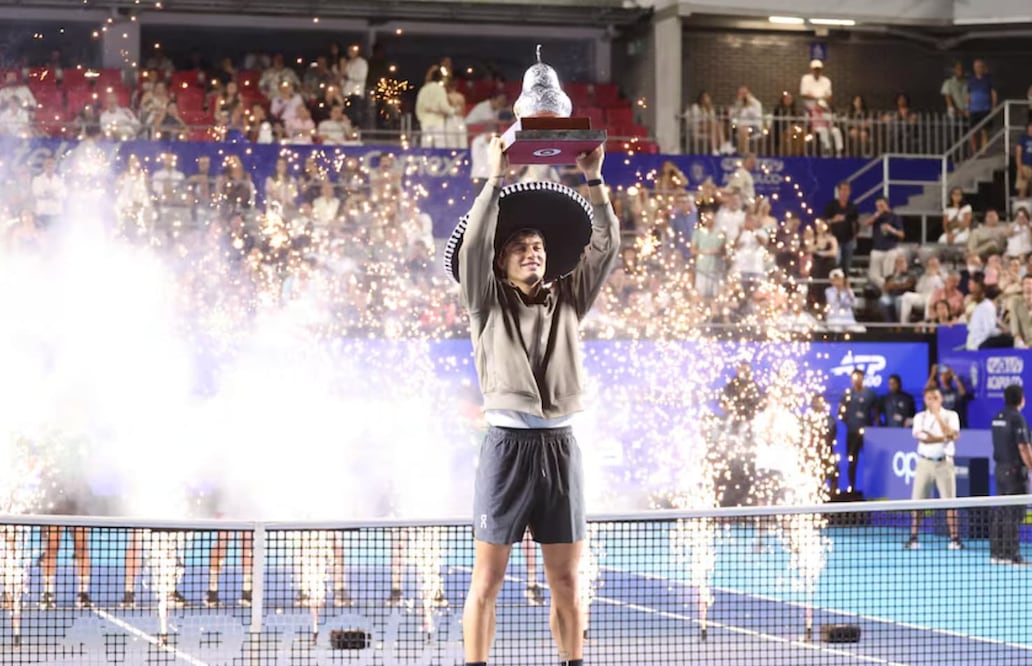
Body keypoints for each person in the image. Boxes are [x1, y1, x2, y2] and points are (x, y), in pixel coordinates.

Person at [445, 137, 619, 666]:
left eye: (539, 245)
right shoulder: (483, 301)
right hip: (507, 449)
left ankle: (573, 662)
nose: (533, 251)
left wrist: (595, 181)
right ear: (501, 262)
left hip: (562, 448)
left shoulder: (569, 298)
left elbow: (606, 249)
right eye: (520, 246)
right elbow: (473, 248)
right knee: (488, 580)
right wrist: (494, 179)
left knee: (566, 579)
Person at [904, 387, 963, 551]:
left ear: (941, 399)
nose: (932, 401)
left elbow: (955, 435)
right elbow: (923, 439)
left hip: (945, 464)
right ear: (925, 400)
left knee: (950, 502)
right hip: (924, 464)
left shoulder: (951, 416)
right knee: (918, 502)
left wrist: (938, 417)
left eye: (935, 397)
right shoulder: (919, 417)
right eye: (929, 398)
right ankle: (913, 537)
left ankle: (955, 539)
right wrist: (945, 437)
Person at [989, 384, 1032, 565]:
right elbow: (1023, 447)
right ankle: (1011, 555)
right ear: (1021, 398)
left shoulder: (997, 417)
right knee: (1013, 513)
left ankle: (997, 554)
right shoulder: (1017, 419)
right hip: (1014, 472)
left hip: (999, 470)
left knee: (1002, 511)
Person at [837, 369, 877, 493]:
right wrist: (849, 422)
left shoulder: (870, 394)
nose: (857, 380)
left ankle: (871, 488)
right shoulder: (847, 395)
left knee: (870, 460)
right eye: (855, 378)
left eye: (859, 377)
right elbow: (841, 413)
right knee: (852, 459)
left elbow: (875, 411)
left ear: (863, 378)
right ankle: (851, 487)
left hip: (867, 433)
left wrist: (874, 425)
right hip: (852, 432)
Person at [822, 181, 859, 277]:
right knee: (836, 262)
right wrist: (834, 220)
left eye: (847, 190)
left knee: (847, 264)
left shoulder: (852, 207)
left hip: (848, 239)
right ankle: (835, 282)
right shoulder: (831, 206)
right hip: (835, 239)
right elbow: (824, 222)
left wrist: (855, 236)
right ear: (838, 191)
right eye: (843, 190)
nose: (845, 192)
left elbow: (856, 222)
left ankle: (845, 282)